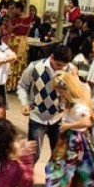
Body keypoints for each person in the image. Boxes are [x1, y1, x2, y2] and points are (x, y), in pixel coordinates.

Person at [16, 44, 76, 172]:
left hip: (59, 118)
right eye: (59, 65)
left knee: (58, 154)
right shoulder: (35, 66)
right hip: (38, 116)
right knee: (33, 153)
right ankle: (25, 181)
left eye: (64, 65)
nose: (61, 68)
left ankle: (54, 183)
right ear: (52, 57)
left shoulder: (70, 69)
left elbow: (76, 90)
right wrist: (24, 103)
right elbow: (22, 85)